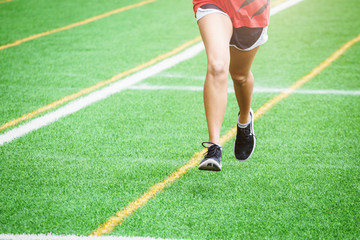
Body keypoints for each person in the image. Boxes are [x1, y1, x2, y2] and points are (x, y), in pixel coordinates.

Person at [193, 0, 271, 171]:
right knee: (217, 66)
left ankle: (244, 121)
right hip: (214, 4)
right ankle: (214, 147)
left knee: (239, 76)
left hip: (251, 8)